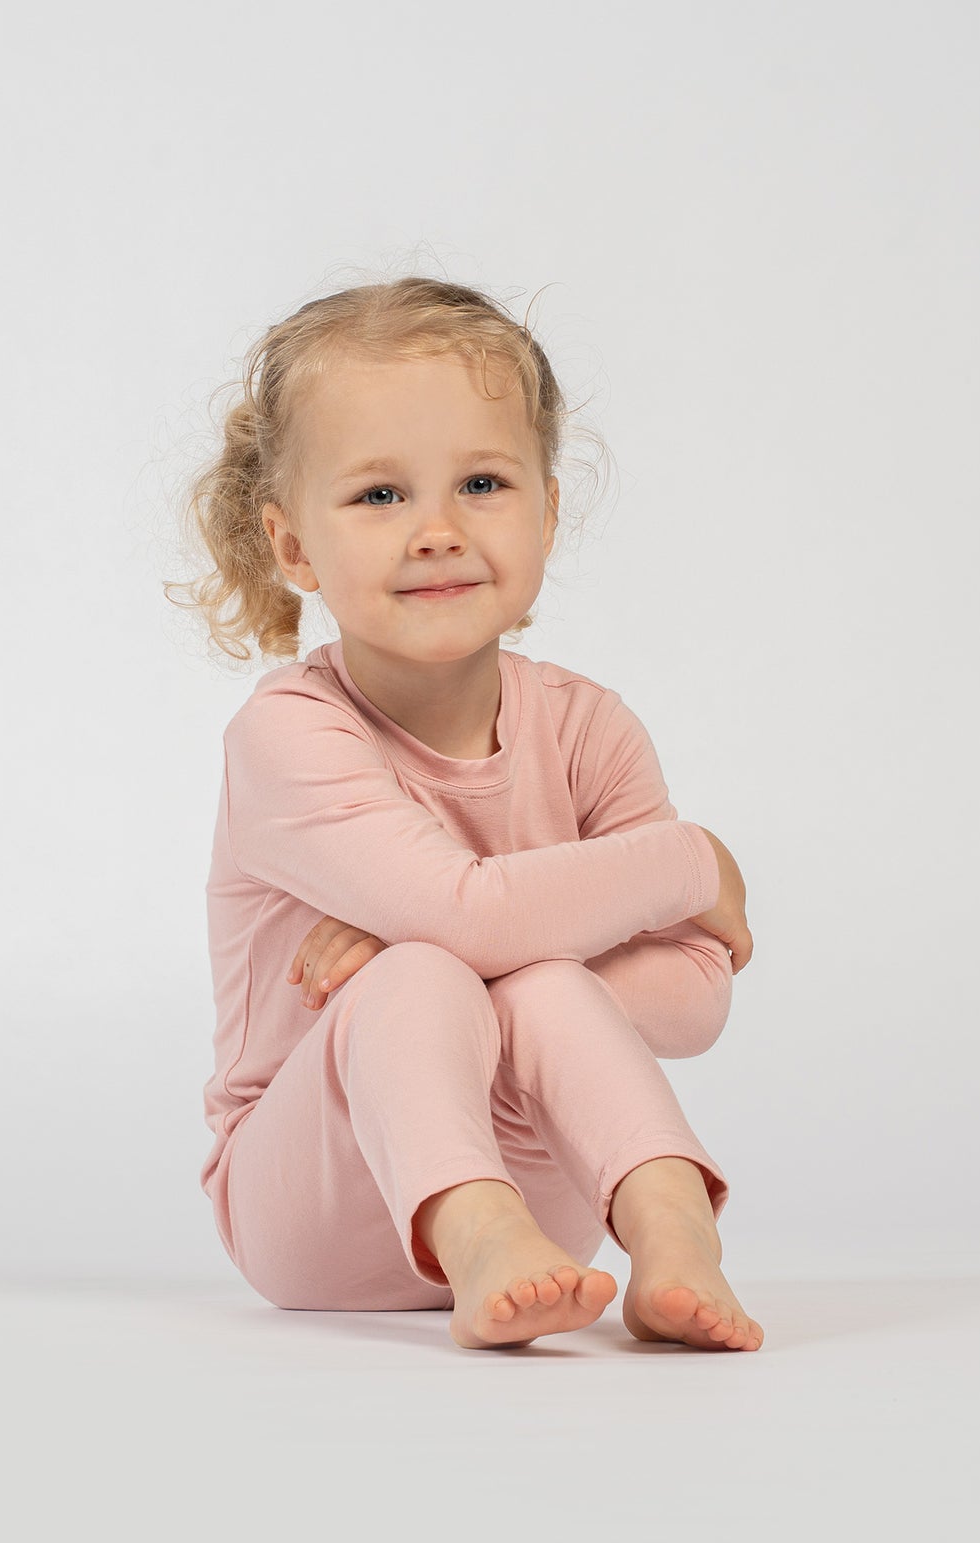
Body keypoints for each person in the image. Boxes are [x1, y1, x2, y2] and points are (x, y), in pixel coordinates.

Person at [168, 274, 762, 1353]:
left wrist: (505, 958)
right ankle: (474, 1229)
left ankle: (675, 1238)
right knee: (425, 968)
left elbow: (697, 995)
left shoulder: (587, 727)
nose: (437, 530)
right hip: (312, 1198)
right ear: (293, 547)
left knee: (523, 977)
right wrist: (689, 861)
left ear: (544, 509)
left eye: (482, 482)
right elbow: (467, 913)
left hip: (552, 1187)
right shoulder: (290, 735)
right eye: (379, 496)